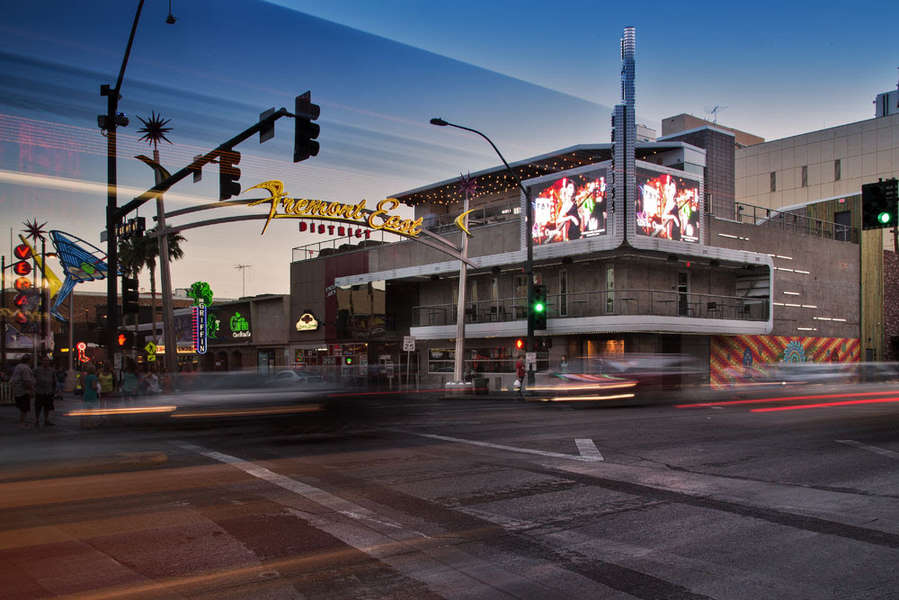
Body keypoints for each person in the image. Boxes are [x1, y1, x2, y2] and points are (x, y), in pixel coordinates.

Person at [10, 355, 34, 427]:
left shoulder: (18, 366)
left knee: (22, 407)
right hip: (23, 391)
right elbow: (26, 381)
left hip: (17, 389)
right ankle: (22, 422)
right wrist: (31, 390)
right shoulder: (25, 368)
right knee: (24, 408)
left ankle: (22, 421)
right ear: (29, 360)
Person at [33, 356, 56, 427]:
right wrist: (33, 387)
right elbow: (32, 378)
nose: (46, 362)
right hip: (39, 391)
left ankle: (46, 420)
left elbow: (54, 380)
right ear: (42, 361)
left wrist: (54, 390)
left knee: (47, 407)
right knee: (38, 407)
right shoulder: (37, 370)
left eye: (47, 361)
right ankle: (37, 420)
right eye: (44, 360)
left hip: (48, 391)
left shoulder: (52, 370)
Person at [81, 364, 100, 429]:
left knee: (86, 410)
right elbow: (93, 386)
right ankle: (90, 424)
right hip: (92, 394)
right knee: (91, 410)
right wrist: (98, 388)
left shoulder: (86, 376)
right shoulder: (94, 377)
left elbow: (83, 385)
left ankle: (84, 424)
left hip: (86, 394)